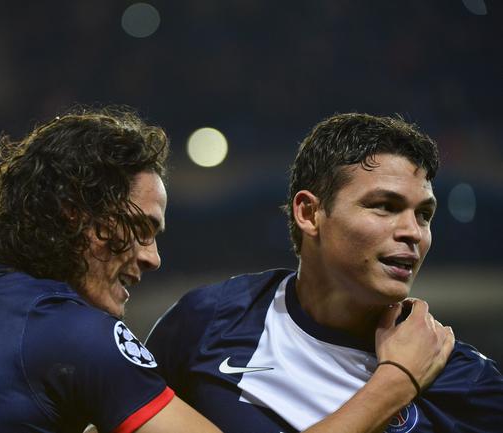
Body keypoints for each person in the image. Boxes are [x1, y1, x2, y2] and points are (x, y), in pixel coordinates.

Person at [0, 108, 452, 433]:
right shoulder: (73, 336)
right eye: (140, 229)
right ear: (77, 216)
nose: (152, 256)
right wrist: (395, 381)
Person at [147, 113, 503, 433]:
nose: (413, 232)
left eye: (424, 214)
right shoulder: (207, 321)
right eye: (385, 206)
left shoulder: (465, 381)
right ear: (309, 213)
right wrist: (395, 383)